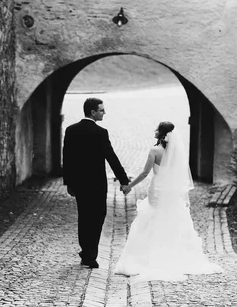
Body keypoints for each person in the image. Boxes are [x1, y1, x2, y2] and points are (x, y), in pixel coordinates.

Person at [114, 121, 224, 281]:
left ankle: (149, 256)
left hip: (157, 191)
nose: (155, 130)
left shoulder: (154, 151)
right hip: (172, 191)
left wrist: (129, 186)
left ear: (162, 133)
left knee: (152, 217)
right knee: (171, 218)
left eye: (157, 129)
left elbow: (145, 173)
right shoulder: (177, 152)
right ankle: (172, 254)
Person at [63, 97, 131, 269]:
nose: (104, 113)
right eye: (101, 110)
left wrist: (69, 183)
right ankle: (90, 255)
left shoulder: (71, 130)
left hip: (79, 184)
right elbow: (111, 157)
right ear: (93, 112)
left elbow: (67, 158)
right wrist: (123, 180)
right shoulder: (100, 133)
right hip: (96, 184)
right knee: (97, 216)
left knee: (84, 216)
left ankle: (86, 251)